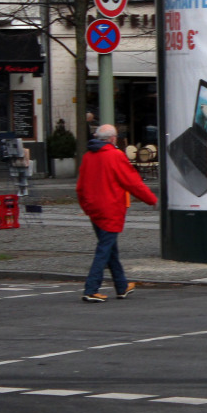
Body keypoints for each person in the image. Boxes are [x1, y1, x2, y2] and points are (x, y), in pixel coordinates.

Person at [77, 123, 157, 302]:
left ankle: (121, 286)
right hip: (110, 208)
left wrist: (86, 206)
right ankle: (91, 289)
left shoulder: (88, 157)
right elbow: (132, 182)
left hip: (94, 209)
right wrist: (151, 199)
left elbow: (80, 187)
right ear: (113, 139)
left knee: (110, 248)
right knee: (104, 249)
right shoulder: (115, 156)